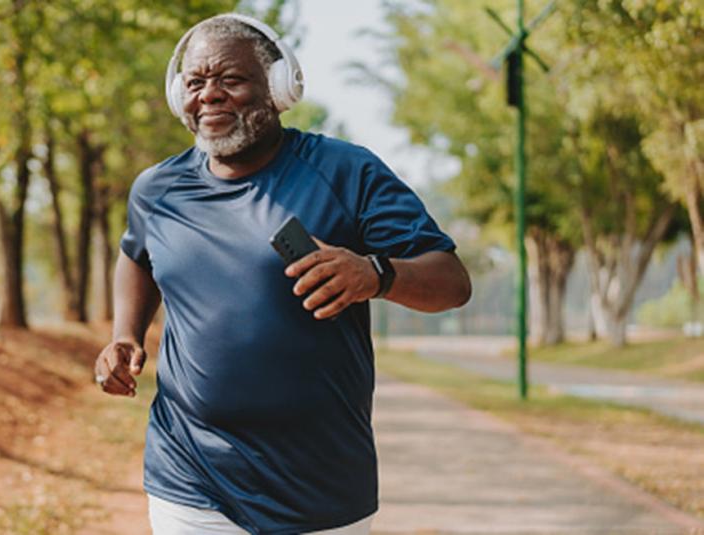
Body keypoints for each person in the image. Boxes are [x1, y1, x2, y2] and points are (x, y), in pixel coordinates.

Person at [94, 13, 472, 535]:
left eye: (231, 79)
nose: (210, 95)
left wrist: (374, 274)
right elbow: (136, 256)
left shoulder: (346, 172)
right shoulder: (158, 191)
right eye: (196, 82)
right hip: (190, 479)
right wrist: (123, 335)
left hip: (318, 489)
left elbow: (451, 282)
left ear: (279, 87)